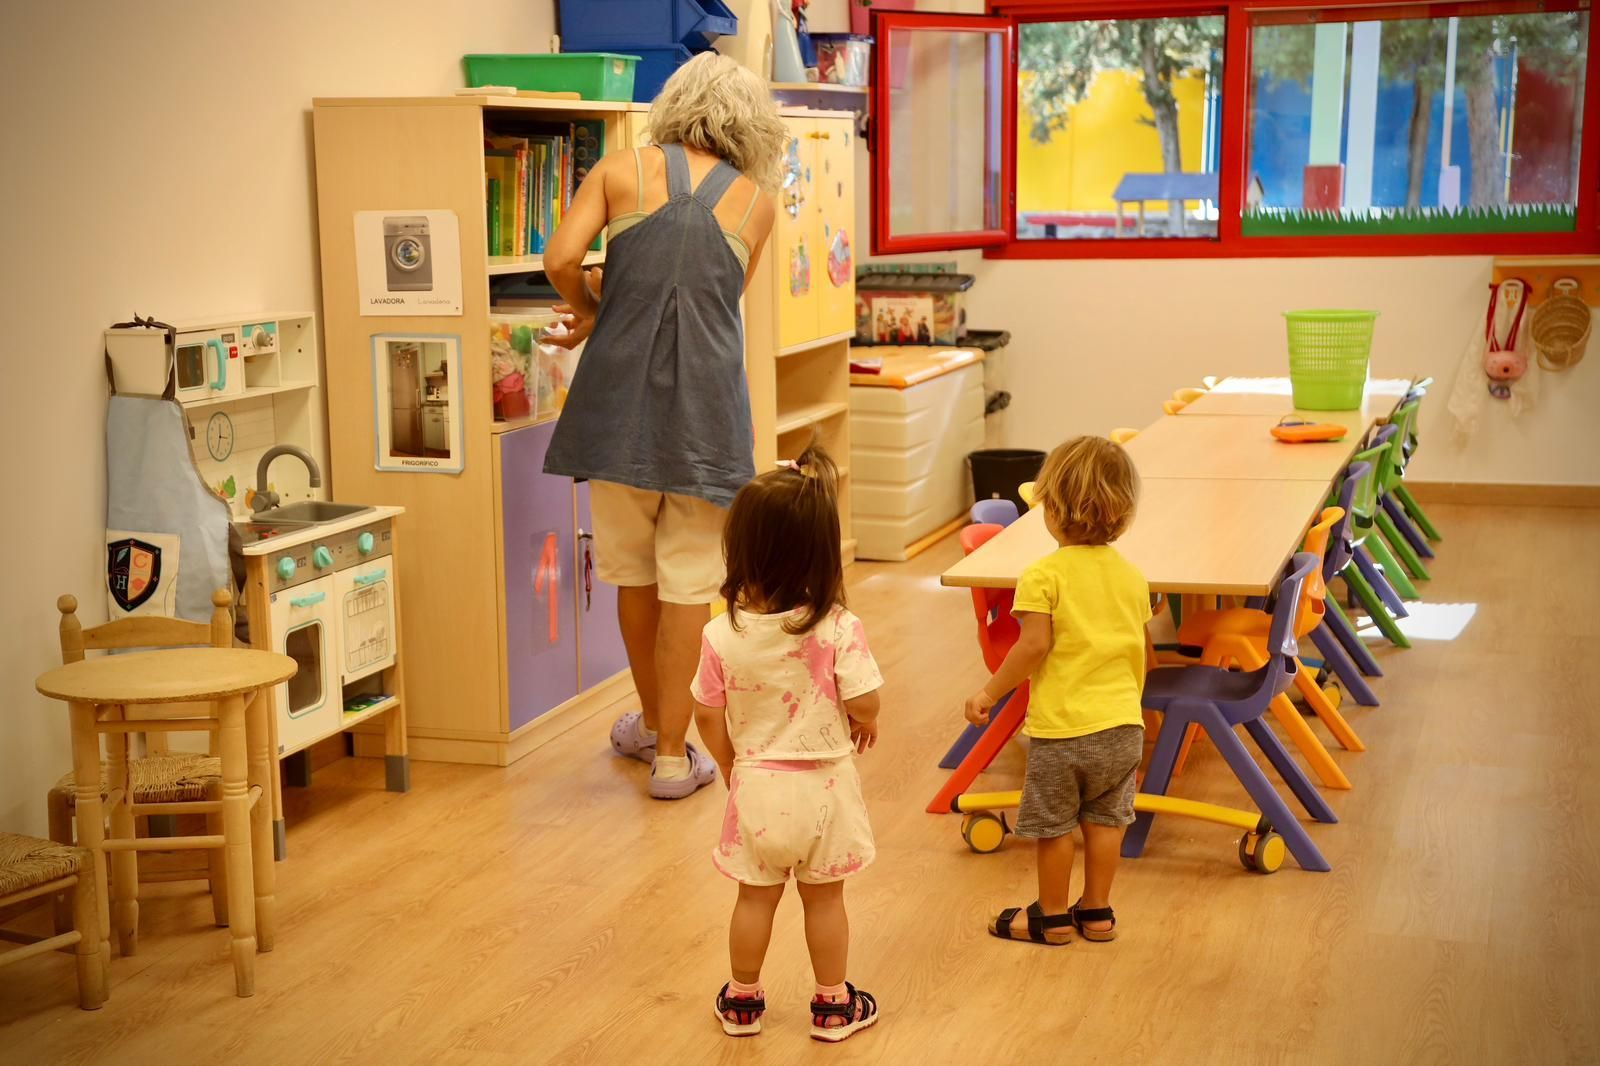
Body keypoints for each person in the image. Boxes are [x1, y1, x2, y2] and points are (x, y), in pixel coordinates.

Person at [541, 53, 784, 800]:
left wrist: (589, 310)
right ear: (751, 123)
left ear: (675, 104)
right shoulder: (756, 203)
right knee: (689, 586)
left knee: (632, 574)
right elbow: (710, 301)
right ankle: (675, 755)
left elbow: (561, 260)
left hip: (619, 414)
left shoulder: (620, 170)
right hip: (708, 419)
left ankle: (650, 723)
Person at [691, 446, 883, 1043]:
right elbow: (866, 700)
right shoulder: (838, 628)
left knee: (755, 899)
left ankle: (743, 1001)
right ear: (822, 554)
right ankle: (831, 1006)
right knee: (825, 902)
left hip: (757, 786)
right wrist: (863, 720)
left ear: (740, 549)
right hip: (825, 786)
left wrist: (729, 761)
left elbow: (705, 709)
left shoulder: (722, 633)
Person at [963, 436, 1150, 946]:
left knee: (1055, 826)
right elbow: (1141, 652)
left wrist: (990, 691)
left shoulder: (1042, 575)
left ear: (1050, 511)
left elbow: (1032, 648)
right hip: (1123, 726)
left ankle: (1051, 917)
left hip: (1065, 728)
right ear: (1124, 514)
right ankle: (1097, 912)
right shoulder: (1133, 578)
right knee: (1107, 822)